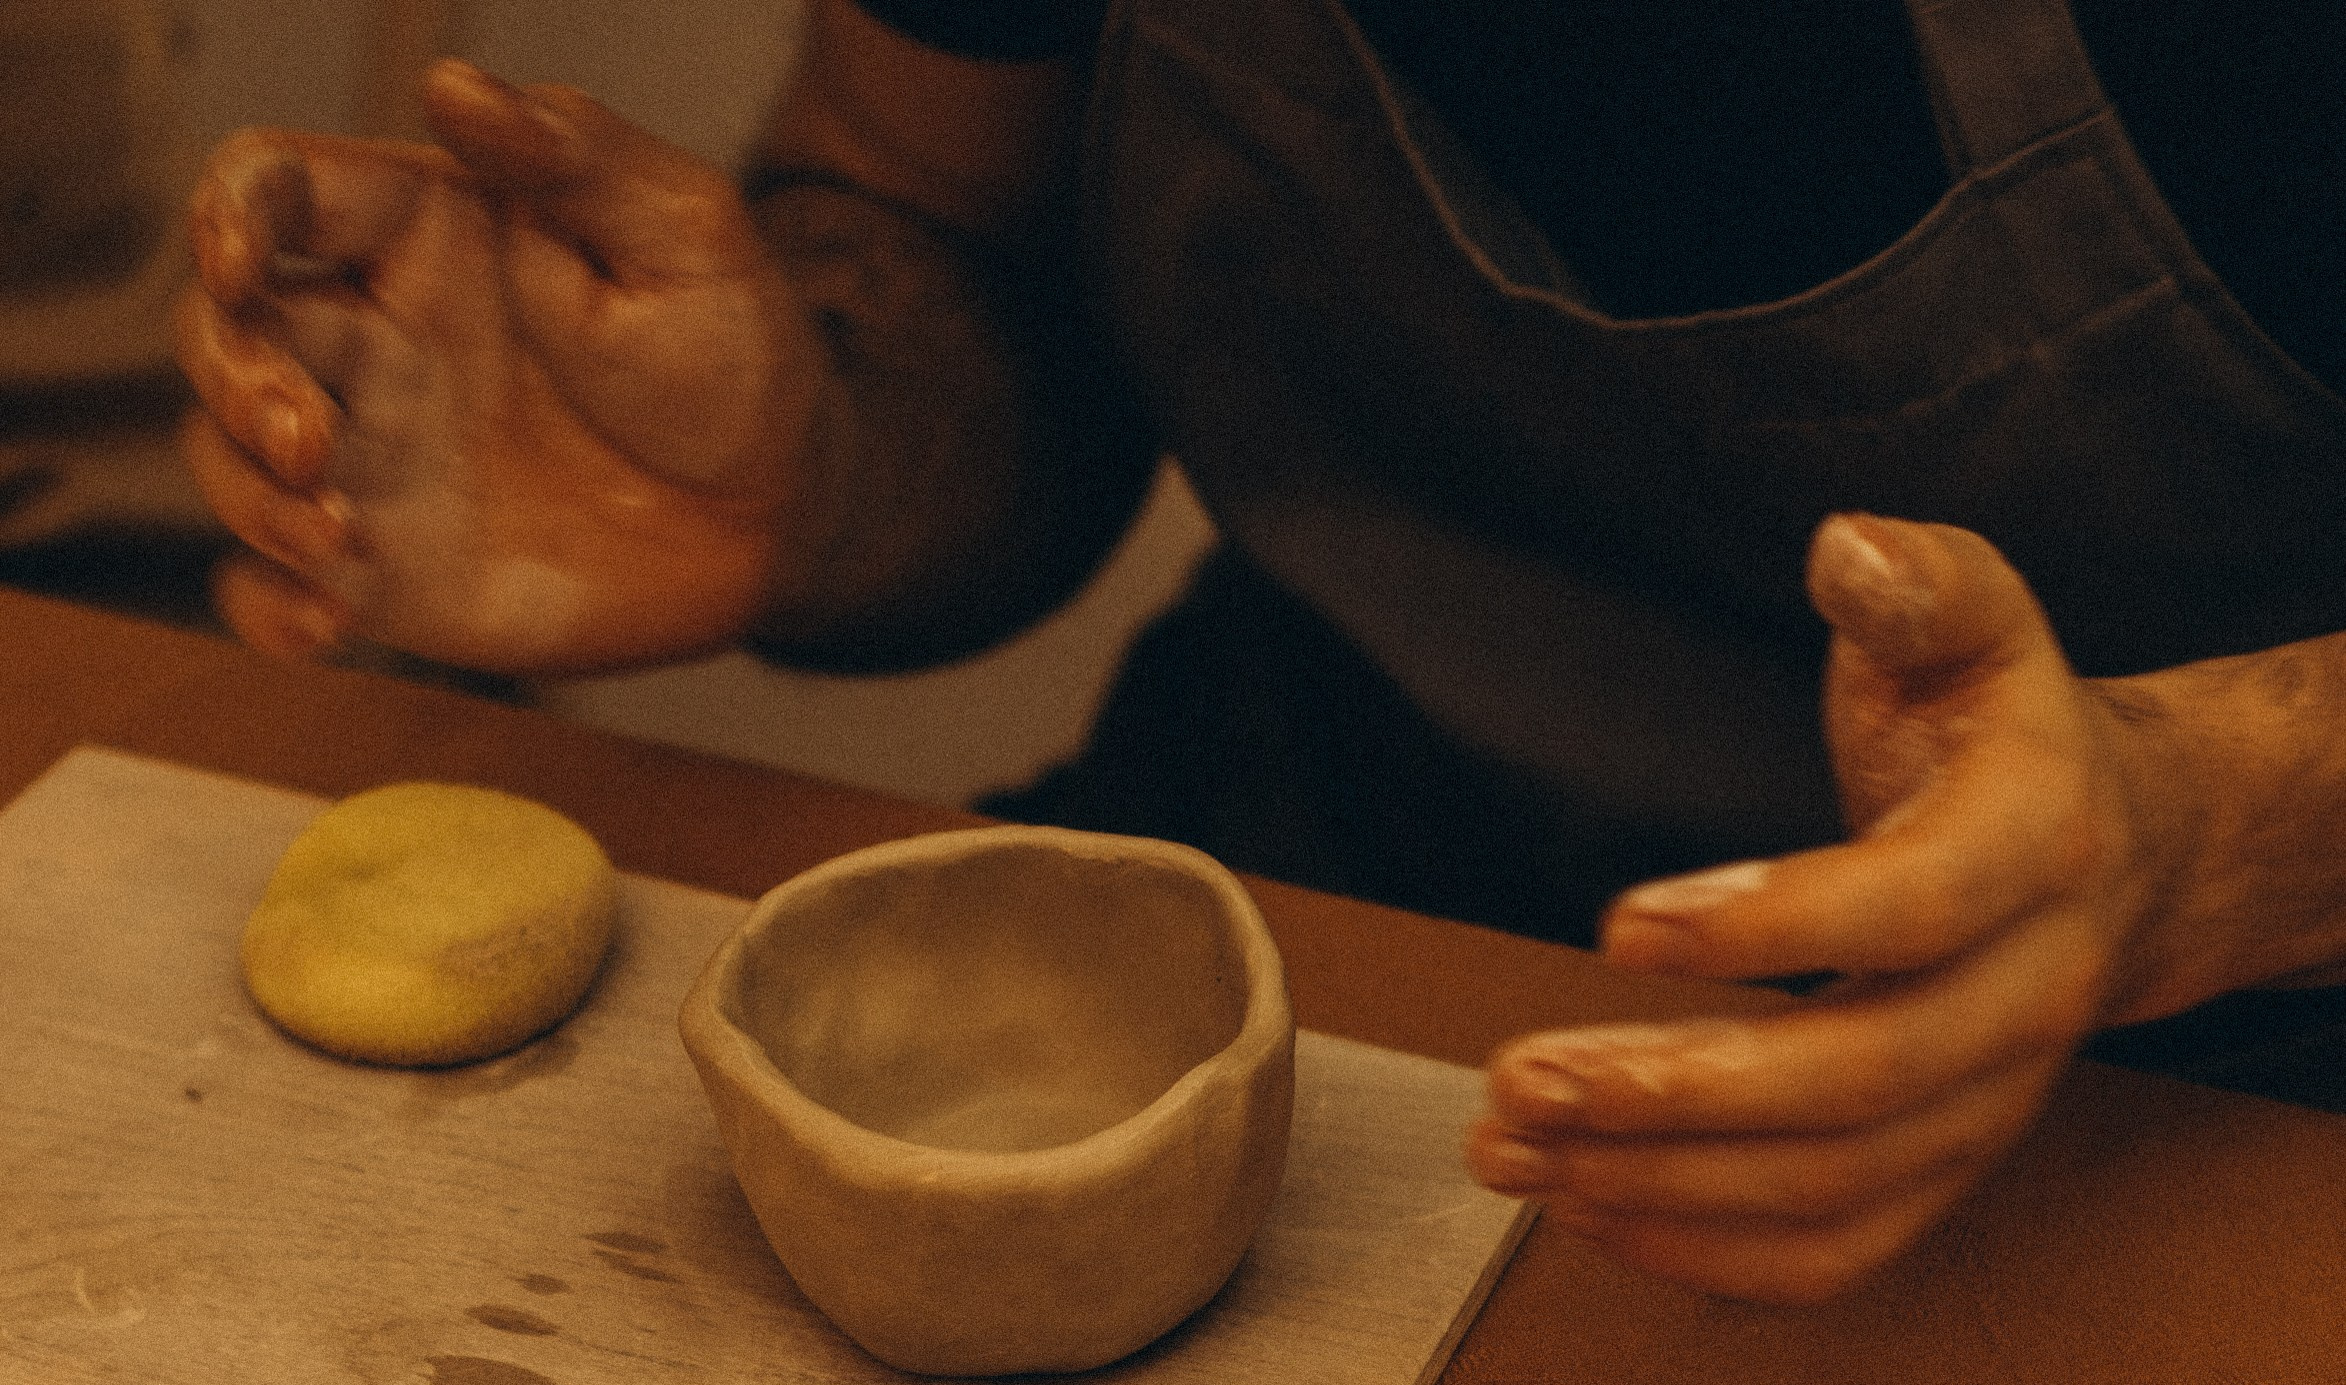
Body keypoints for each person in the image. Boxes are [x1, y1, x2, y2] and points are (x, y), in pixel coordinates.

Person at [173, 0, 2346, 1304]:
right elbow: (929, 223)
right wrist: (813, 451)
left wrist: (2215, 822)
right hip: (1329, 886)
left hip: (2213, 1077)